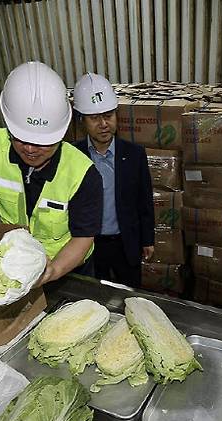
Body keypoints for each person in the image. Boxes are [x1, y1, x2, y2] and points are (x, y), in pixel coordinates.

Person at [0, 61, 103, 285]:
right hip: (14, 264)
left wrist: (52, 271)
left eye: (43, 142)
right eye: (20, 137)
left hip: (67, 271)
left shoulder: (83, 174)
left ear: (61, 133)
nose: (30, 149)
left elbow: (83, 238)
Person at [72, 73, 154, 288]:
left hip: (125, 242)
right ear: (82, 121)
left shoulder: (134, 155)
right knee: (93, 295)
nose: (103, 124)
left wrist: (147, 240)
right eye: (95, 118)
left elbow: (144, 201)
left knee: (132, 294)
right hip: (87, 245)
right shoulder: (72, 156)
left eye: (108, 115)